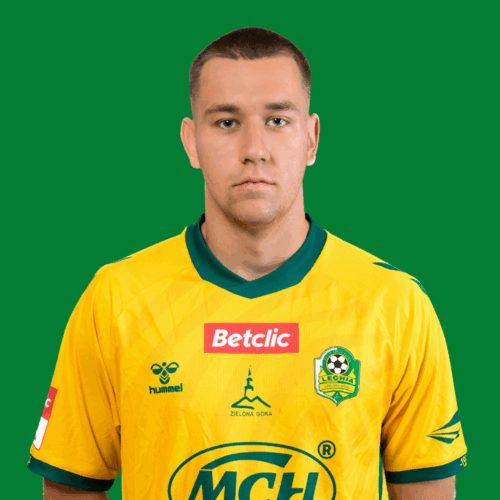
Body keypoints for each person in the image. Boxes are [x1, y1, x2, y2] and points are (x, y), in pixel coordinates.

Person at [27, 26, 467, 500]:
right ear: (191, 142)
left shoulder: (395, 304)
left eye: (277, 120)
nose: (254, 149)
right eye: (226, 123)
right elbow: (70, 487)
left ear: (312, 139)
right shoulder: (116, 298)